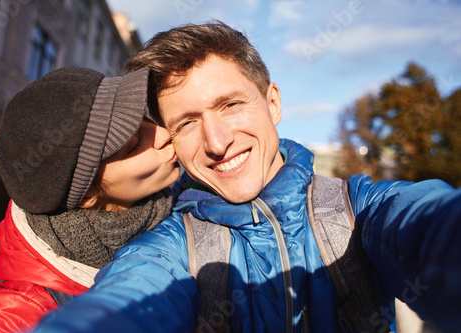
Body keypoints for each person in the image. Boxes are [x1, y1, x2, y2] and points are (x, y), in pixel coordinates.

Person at [32, 22, 461, 333]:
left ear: (272, 103)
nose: (217, 142)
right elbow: (122, 304)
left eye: (231, 105)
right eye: (187, 123)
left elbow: (431, 229)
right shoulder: (170, 249)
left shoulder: (359, 208)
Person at [0, 66, 180, 333]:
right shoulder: (14, 317)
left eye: (144, 118)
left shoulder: (182, 201)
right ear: (86, 196)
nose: (163, 133)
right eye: (134, 145)